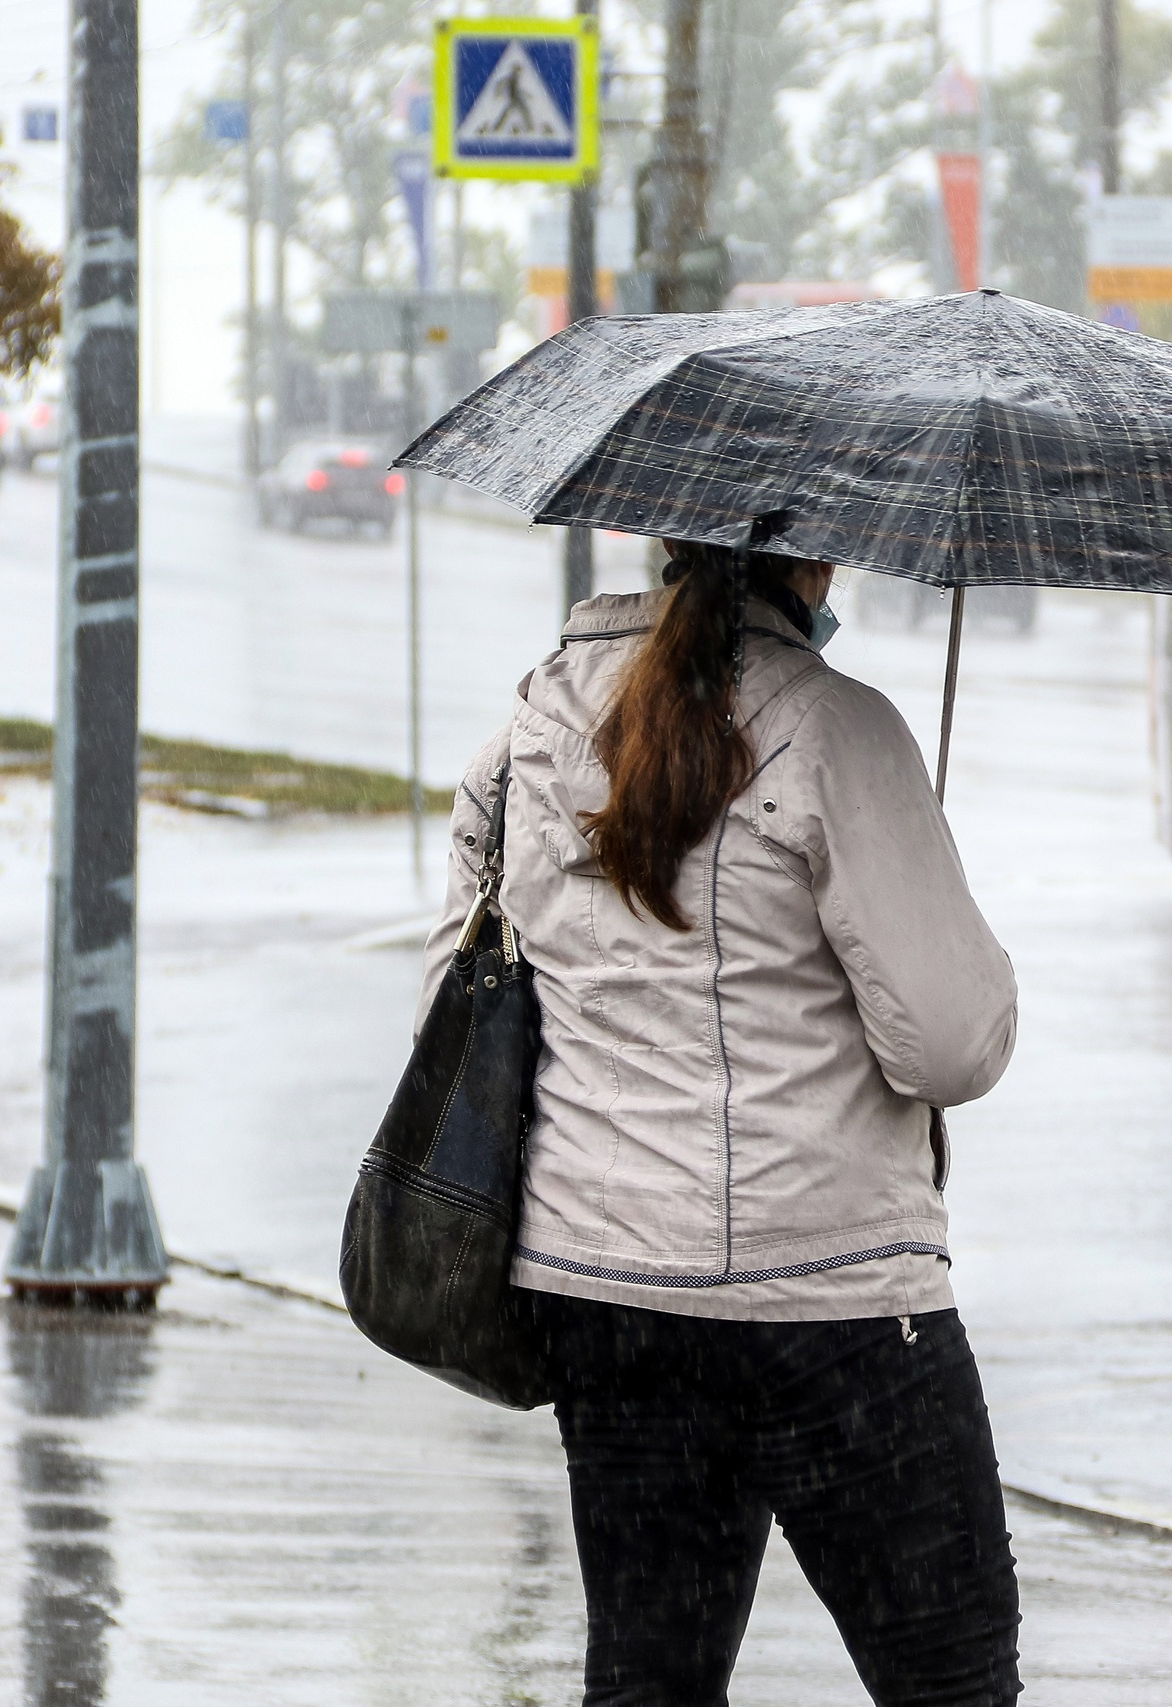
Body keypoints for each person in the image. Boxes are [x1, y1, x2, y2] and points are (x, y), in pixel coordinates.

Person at [422, 539, 1024, 1707]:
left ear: (663, 547)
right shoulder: (836, 730)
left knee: (651, 1682)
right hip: (830, 1304)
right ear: (812, 565)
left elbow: (455, 1017)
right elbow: (950, 1045)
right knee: (951, 1681)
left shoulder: (530, 739)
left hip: (604, 1298)